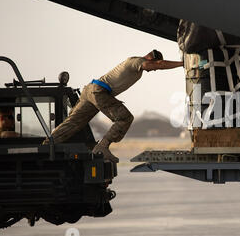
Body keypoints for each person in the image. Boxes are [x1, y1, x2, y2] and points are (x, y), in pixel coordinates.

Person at [43, 50, 183, 162]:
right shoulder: (137, 62)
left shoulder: (137, 68)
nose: (154, 71)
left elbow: (157, 65)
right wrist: (182, 63)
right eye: (155, 67)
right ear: (151, 59)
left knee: (73, 123)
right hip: (99, 92)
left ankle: (46, 145)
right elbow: (159, 64)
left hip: (90, 90)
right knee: (125, 118)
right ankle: (103, 146)